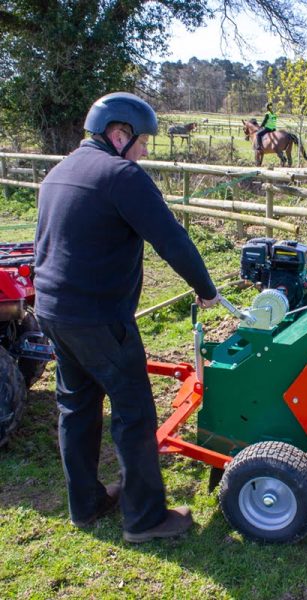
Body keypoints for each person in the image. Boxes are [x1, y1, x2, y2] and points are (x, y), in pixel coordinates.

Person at [34, 91, 220, 543]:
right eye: (141, 142)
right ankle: (145, 519)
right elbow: (170, 238)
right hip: (100, 318)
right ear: (119, 133)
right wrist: (205, 289)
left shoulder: (58, 172)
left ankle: (87, 505)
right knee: (134, 412)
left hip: (53, 311)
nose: (143, 152)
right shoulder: (121, 175)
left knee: (75, 407)